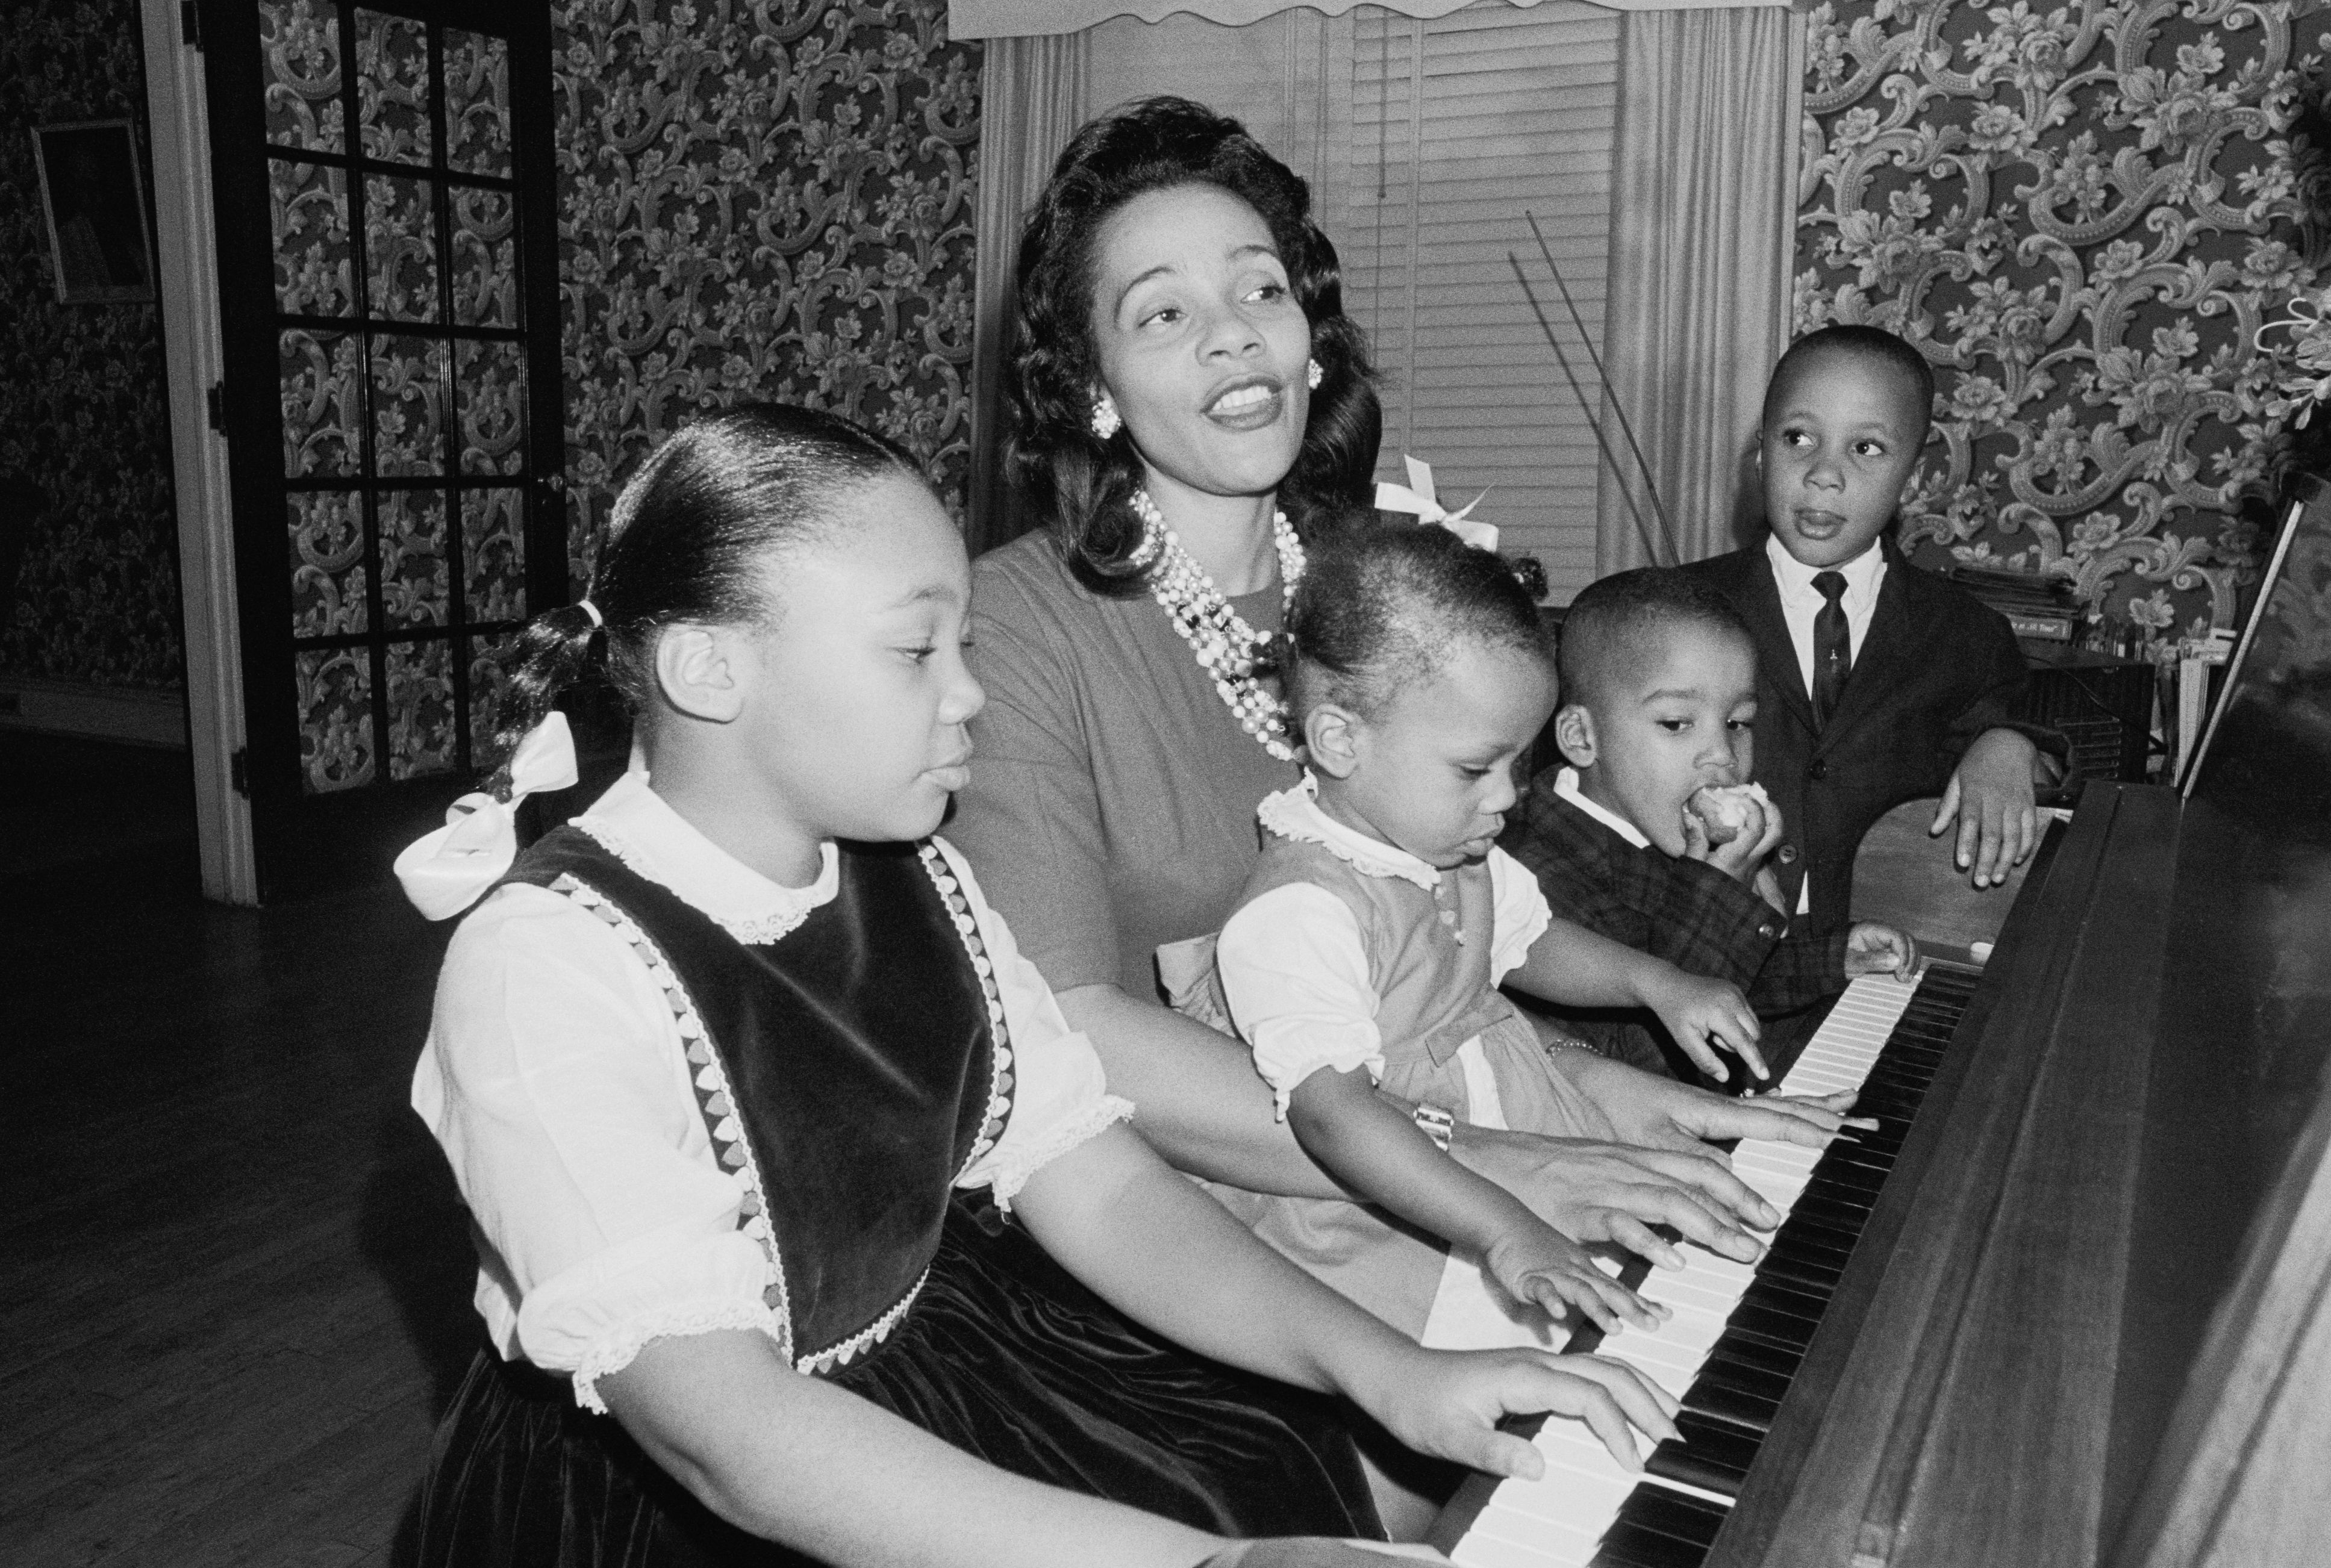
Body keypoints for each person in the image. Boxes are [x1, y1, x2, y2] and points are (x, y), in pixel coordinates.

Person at [396, 405, 1670, 1568]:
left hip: (929, 1364)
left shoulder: (920, 877)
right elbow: (730, 1438)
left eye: (963, 638)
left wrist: (1386, 1372)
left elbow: (1097, 1181)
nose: (970, 693)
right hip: (696, 1490)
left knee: (1266, 1474)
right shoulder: (547, 967)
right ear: (707, 671)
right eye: (916, 651)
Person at [946, 96, 1860, 1294]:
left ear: (1308, 340)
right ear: (1093, 387)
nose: (1233, 334)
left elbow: (1446, 958)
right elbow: (1071, 1026)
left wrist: (1592, 1094)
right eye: (1163, 312)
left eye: (1260, 290)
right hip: (1174, 1236)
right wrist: (1483, 1166)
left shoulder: (1385, 584)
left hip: (1438, 1165)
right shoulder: (1012, 623)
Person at [1170, 520, 1791, 1361]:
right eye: (1475, 768)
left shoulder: (1451, 845)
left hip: (1508, 1140)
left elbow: (1533, 941)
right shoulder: (1301, 912)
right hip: (1401, 1210)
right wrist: (1504, 1229)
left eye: (1517, 762)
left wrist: (1656, 984)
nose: (1509, 797)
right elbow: (1333, 1120)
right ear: (1339, 741)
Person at [1682, 325, 2065, 942]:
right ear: (1759, 455)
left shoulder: (1967, 632)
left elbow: (2038, 757)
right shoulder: (1681, 608)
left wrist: (2007, 743)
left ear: (1911, 480)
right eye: (1797, 438)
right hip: (1706, 950)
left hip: (1875, 957)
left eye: (1865, 448)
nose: (1823, 474)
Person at [1502, 567, 1919, 1081]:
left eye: (1738, 722)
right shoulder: (1529, 871)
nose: (1722, 756)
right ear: (1582, 738)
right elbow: (1646, 1060)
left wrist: (1829, 959)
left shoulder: (1654, 823)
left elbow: (1735, 974)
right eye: (1677, 723)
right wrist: (1719, 888)